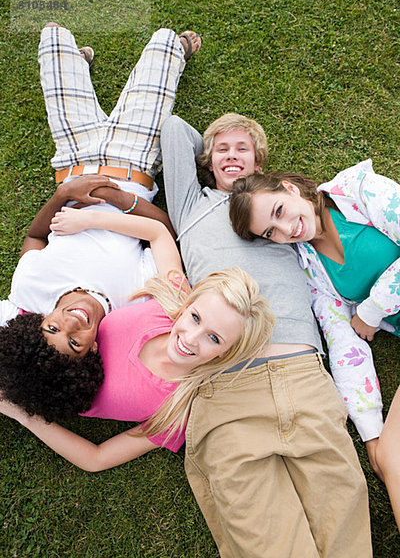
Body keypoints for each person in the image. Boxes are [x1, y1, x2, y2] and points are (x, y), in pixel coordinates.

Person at [160, 114, 372, 557]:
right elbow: (173, 128)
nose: (232, 155)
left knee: (344, 524)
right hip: (228, 383)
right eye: (222, 150)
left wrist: (248, 176)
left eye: (243, 148)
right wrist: (216, 147)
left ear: (261, 161)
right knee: (265, 541)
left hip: (303, 378)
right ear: (207, 160)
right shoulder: (189, 207)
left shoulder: (279, 215)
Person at [0, 22, 201, 417]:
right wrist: (118, 200)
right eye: (75, 342)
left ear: (38, 322)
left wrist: (62, 196)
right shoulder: (132, 301)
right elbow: (168, 233)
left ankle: (78, 64)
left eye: (53, 329)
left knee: (52, 36)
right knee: (164, 41)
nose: (72, 324)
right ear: (92, 349)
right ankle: (175, 51)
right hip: (134, 162)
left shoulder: (30, 290)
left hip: (72, 162)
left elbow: (35, 237)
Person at [0, 212, 275, 471]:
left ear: (227, 352)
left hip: (41, 384)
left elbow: (96, 459)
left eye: (214, 338)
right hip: (35, 331)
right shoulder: (170, 306)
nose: (190, 338)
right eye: (195, 318)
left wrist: (22, 415)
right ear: (188, 306)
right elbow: (157, 233)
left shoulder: (180, 407)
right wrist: (88, 219)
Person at [229, 159, 400, 528]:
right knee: (389, 456)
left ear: (289, 189)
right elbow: (343, 344)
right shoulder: (311, 269)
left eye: (279, 211)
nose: (286, 229)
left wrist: (371, 310)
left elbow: (362, 320)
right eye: (271, 232)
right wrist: (370, 428)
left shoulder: (360, 191)